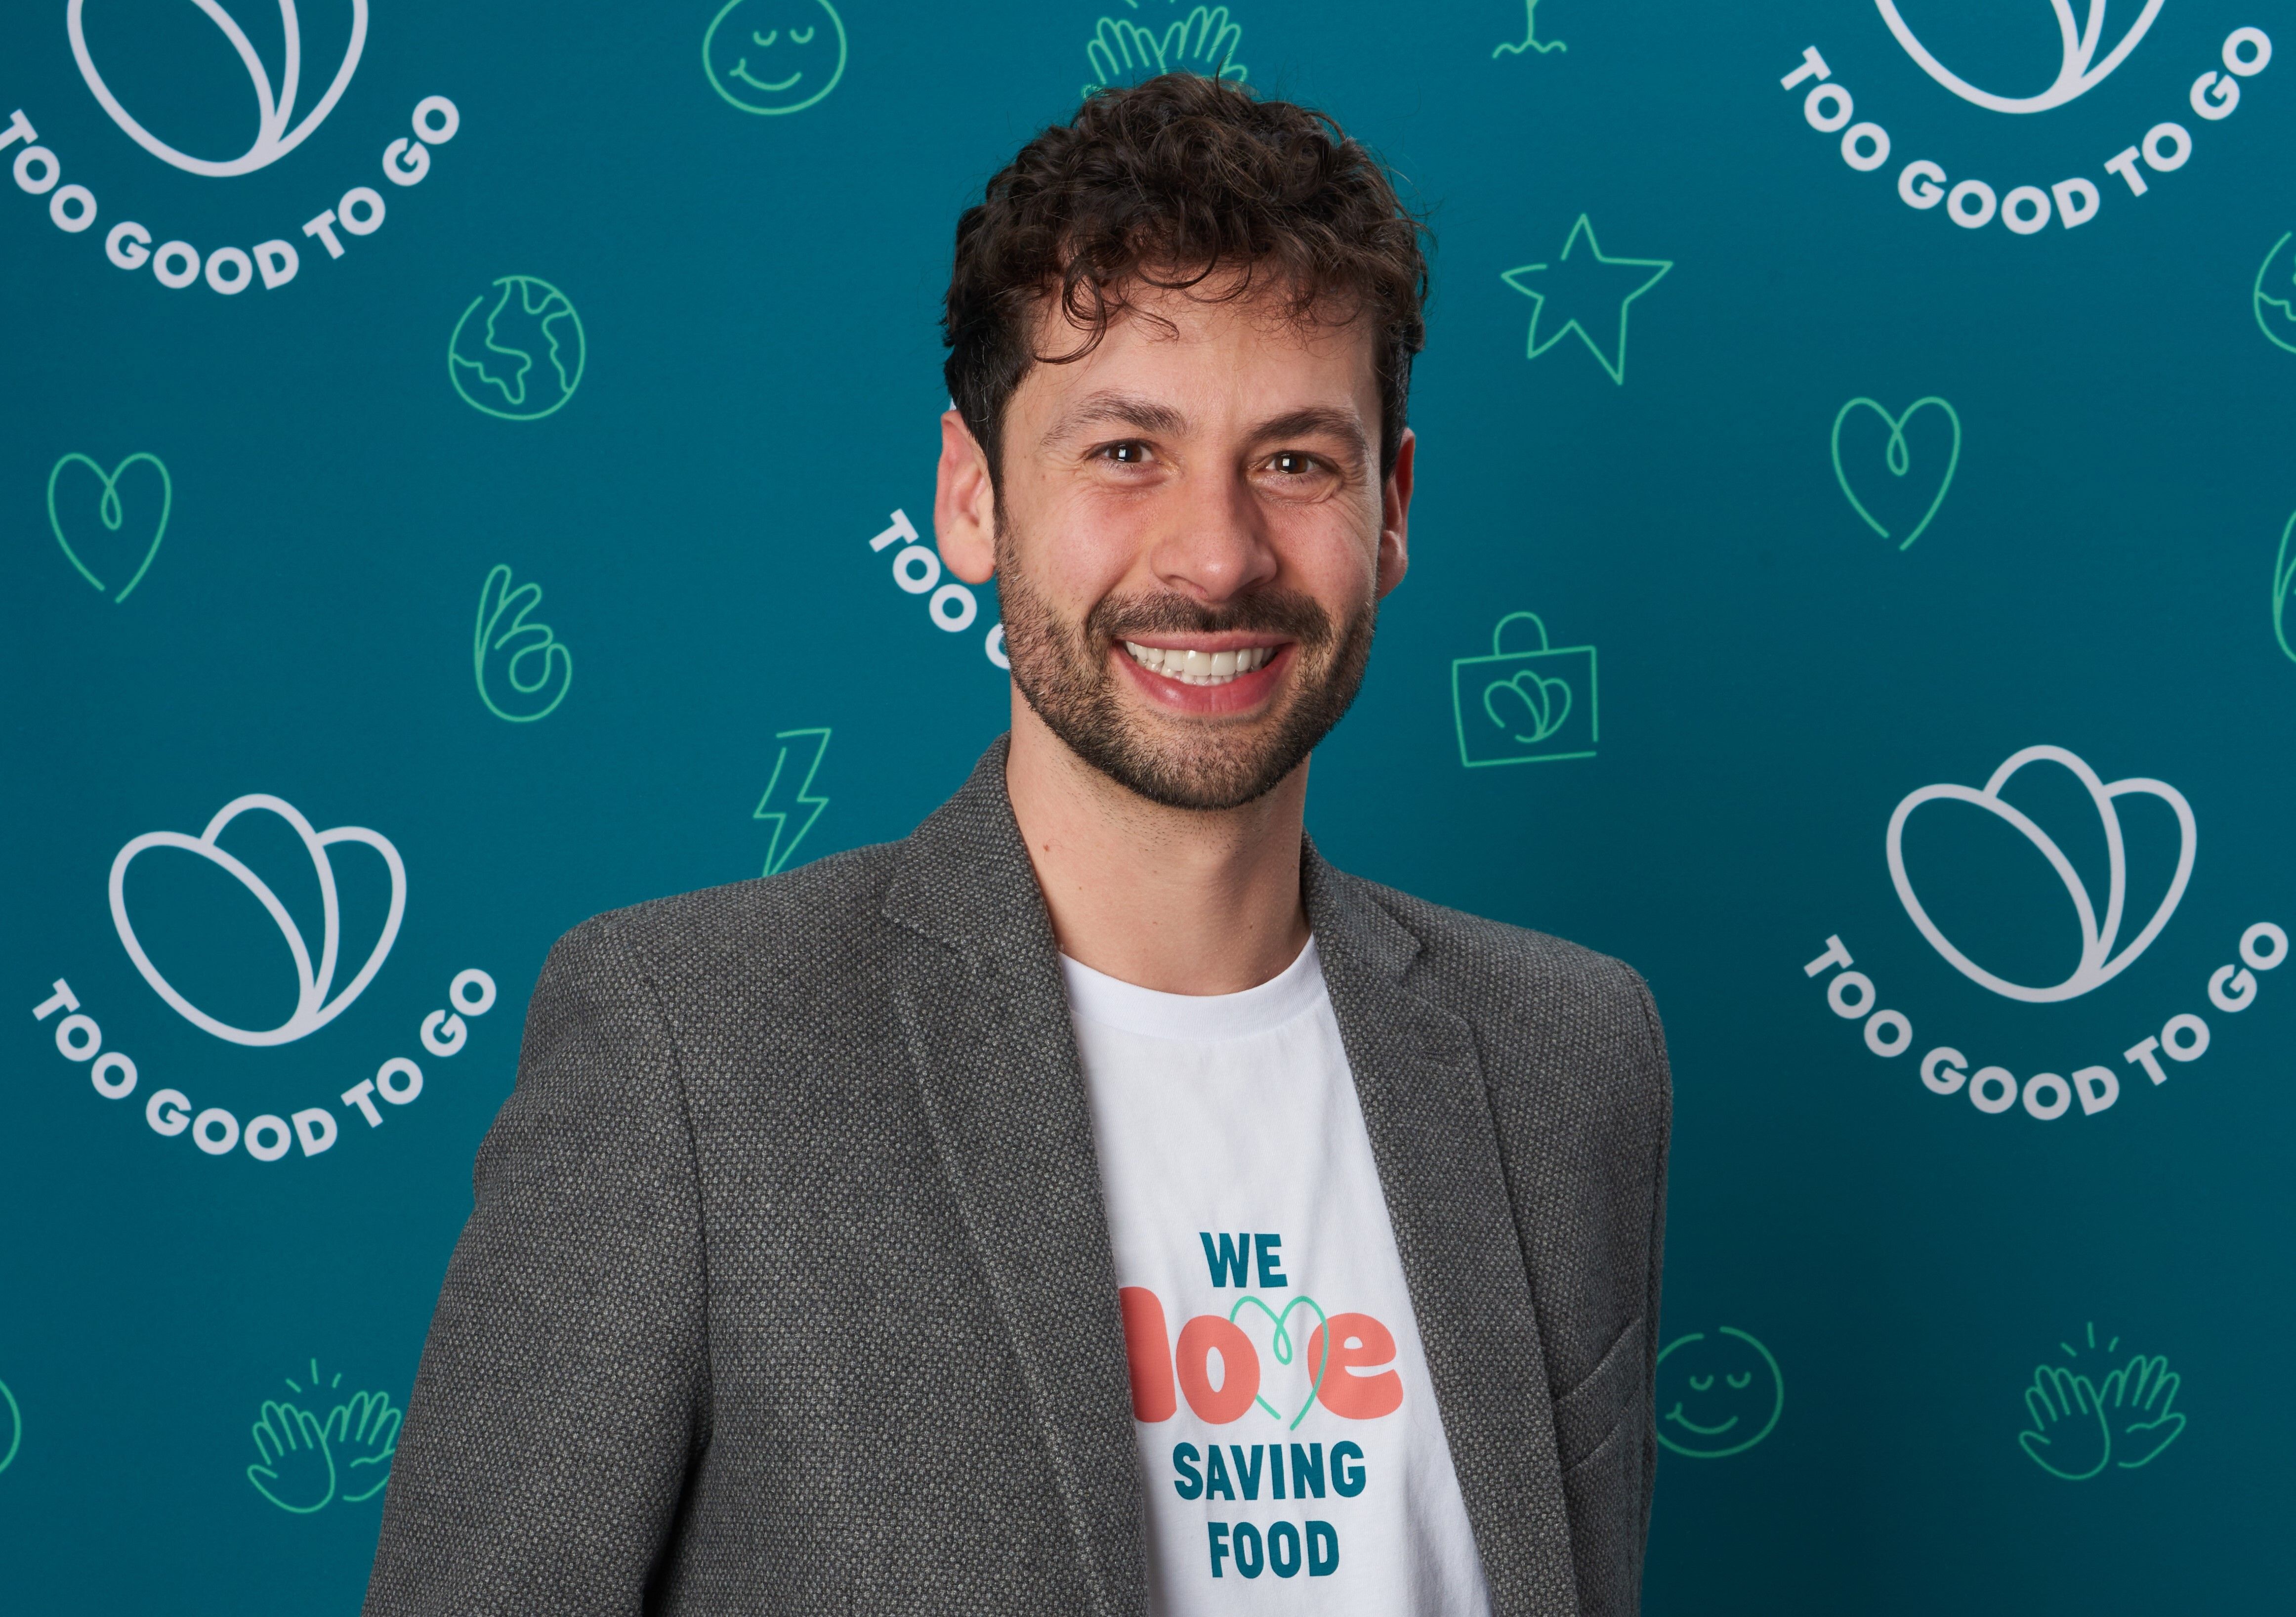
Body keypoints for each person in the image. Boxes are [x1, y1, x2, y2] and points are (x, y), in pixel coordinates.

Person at [366, 73, 1670, 1617]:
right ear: (972, 500)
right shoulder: (688, 1052)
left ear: (1390, 508)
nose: (1217, 553)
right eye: (1127, 451)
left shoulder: (1572, 1055)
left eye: (1297, 460)